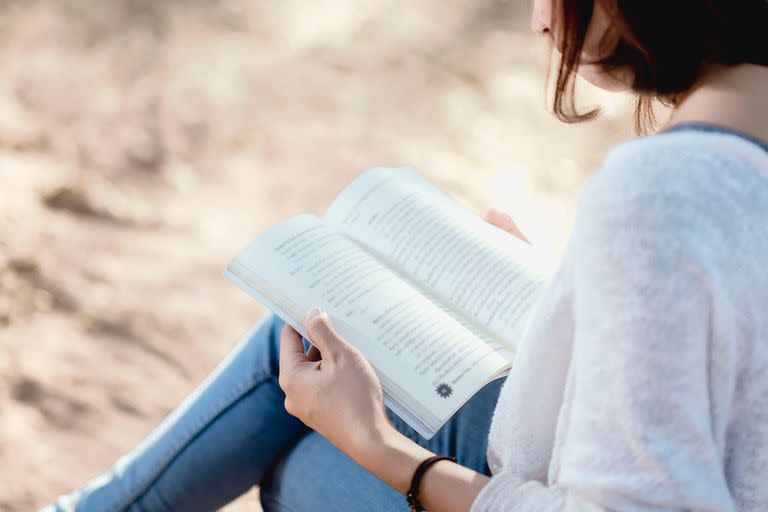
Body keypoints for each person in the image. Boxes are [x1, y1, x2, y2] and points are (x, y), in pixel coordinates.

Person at [47, 0, 768, 510]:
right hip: (550, 436)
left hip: (539, 474)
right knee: (313, 333)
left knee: (307, 452)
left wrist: (384, 451)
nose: (542, 19)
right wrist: (573, 307)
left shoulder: (661, 192)